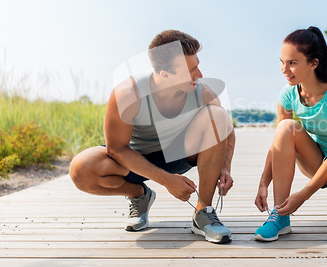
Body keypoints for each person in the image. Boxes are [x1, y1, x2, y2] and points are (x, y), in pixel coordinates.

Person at [70, 30, 235, 244]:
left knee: (217, 115)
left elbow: (227, 130)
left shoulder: (203, 92)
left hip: (179, 155)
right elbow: (116, 149)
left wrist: (225, 167)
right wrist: (166, 181)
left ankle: (203, 213)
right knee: (80, 169)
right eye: (191, 70)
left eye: (198, 65)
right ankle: (139, 194)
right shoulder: (128, 93)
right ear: (165, 74)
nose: (200, 75)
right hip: (134, 159)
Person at [254, 26, 327, 242]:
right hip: (318, 160)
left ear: (314, 63)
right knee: (285, 128)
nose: (284, 68)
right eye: (282, 61)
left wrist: (302, 195)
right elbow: (278, 143)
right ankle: (280, 216)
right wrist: (264, 182)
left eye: (292, 62)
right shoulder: (288, 94)